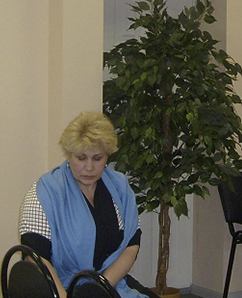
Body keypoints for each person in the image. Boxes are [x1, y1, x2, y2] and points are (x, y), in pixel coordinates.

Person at [18, 111, 156, 298]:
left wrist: (98, 289)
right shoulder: (44, 193)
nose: (89, 167)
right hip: (60, 288)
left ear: (107, 156)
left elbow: (131, 246)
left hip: (109, 283)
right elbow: (35, 258)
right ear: (69, 155)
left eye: (97, 158)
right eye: (81, 158)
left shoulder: (120, 188)